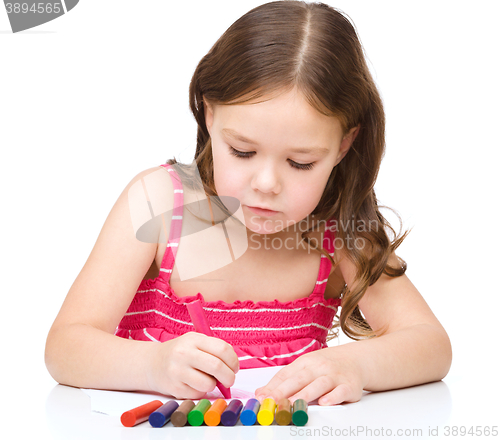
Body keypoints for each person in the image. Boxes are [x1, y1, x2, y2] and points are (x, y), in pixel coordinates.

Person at [45, 0, 452, 406]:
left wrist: (357, 364)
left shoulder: (339, 230)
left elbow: (432, 345)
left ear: (344, 145)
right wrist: (152, 364)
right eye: (242, 151)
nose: (267, 183)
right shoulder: (158, 203)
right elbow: (65, 347)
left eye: (300, 162)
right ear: (208, 112)